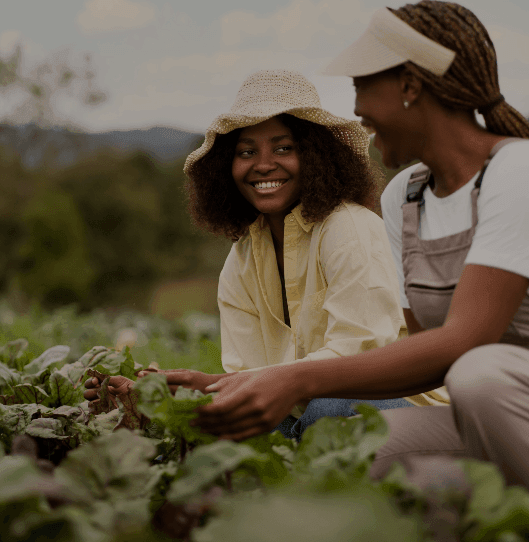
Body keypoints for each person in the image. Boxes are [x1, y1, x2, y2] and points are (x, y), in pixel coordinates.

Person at [194, 1, 529, 488]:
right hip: (482, 408)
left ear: (411, 87)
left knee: (479, 372)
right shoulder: (405, 197)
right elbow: (428, 361)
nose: (355, 108)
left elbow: (466, 342)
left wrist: (295, 380)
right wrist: (211, 390)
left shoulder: (516, 172)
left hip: (499, 392)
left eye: (362, 86)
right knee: (350, 451)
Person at [84, 69, 412, 440]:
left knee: (329, 406)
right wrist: (172, 394)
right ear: (227, 167)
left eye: (284, 147)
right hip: (309, 411)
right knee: (232, 423)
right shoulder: (241, 260)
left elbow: (359, 361)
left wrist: (213, 385)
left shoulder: (348, 226)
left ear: (316, 156)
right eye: (246, 152)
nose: (263, 164)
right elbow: (254, 387)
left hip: (388, 404)